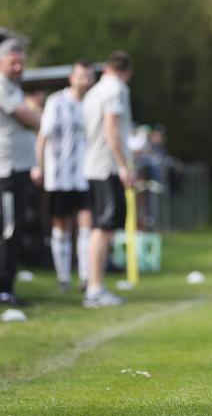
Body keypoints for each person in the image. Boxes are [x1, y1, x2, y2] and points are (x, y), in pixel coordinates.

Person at [32, 59, 95, 292]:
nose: (85, 81)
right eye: (81, 76)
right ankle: (64, 278)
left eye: (88, 76)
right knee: (62, 226)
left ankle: (87, 277)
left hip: (86, 175)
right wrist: (38, 166)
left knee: (87, 225)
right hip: (59, 175)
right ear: (72, 78)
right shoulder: (57, 102)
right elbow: (43, 136)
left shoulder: (92, 102)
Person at [82, 51, 135, 308]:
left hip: (94, 165)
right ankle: (94, 288)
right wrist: (124, 166)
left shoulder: (94, 90)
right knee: (104, 228)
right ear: (128, 72)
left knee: (100, 228)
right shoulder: (116, 90)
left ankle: (94, 284)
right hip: (107, 167)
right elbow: (111, 128)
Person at [0, 38, 41, 307]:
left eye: (21, 63)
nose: (18, 67)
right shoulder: (3, 87)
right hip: (7, 170)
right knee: (9, 229)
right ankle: (3, 289)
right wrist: (39, 115)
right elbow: (31, 118)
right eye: (13, 62)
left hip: (20, 170)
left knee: (17, 230)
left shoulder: (14, 87)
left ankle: (8, 286)